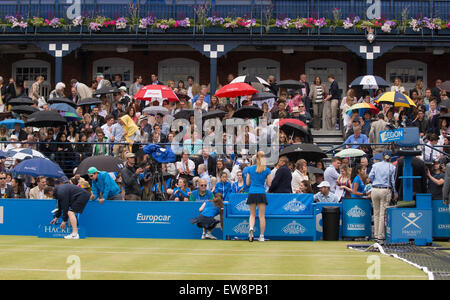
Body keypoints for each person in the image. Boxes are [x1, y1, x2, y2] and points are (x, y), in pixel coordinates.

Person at [369, 152, 397, 244]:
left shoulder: (375, 165)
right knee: (382, 214)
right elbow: (392, 180)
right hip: (385, 189)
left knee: (376, 213)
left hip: (374, 189)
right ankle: (380, 236)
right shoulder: (392, 167)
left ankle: (376, 235)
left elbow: (370, 177)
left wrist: (376, 181)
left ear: (382, 157)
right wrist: (395, 192)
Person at [246, 151, 271, 242]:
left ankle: (251, 228)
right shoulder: (267, 170)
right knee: (261, 216)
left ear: (256, 158)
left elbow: (247, 183)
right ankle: (261, 236)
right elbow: (269, 183)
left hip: (252, 192)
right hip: (261, 192)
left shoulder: (250, 169)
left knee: (252, 215)